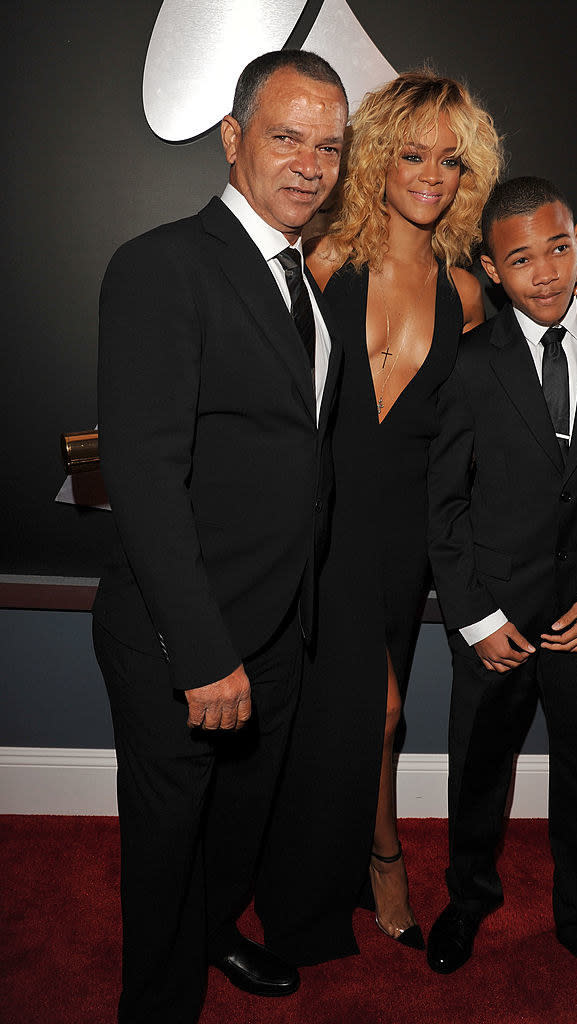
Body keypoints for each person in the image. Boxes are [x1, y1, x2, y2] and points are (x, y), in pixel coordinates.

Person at [91, 50, 347, 1024]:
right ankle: (158, 1000)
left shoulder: (304, 283)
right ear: (234, 138)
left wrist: (291, 627)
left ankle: (212, 936)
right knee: (166, 840)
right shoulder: (161, 266)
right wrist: (201, 654)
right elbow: (145, 478)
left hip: (281, 624)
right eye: (286, 136)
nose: (309, 163)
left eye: (328, 145)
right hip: (185, 636)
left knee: (237, 822)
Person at [255, 70, 501, 963]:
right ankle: (362, 863)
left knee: (379, 714)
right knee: (341, 713)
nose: (430, 174)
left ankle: (375, 858)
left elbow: (493, 412)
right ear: (377, 160)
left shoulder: (469, 296)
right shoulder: (323, 261)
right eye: (410, 153)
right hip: (317, 526)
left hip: (402, 537)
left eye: (449, 159)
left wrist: (575, 296)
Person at [426, 177, 577, 1023]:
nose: (543, 273)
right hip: (494, 619)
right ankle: (467, 898)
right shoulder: (465, 364)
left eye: (557, 248)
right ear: (492, 271)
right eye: (520, 259)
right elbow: (444, 504)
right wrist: (476, 618)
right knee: (478, 767)